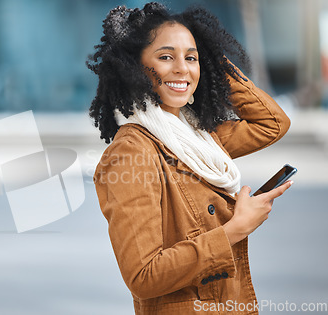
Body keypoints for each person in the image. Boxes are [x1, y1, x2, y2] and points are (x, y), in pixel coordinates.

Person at [87, 2, 292, 314]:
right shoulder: (131, 152)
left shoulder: (198, 138)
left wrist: (211, 61)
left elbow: (273, 123)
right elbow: (144, 276)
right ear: (133, 67)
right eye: (166, 56)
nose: (182, 68)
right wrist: (236, 228)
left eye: (191, 57)